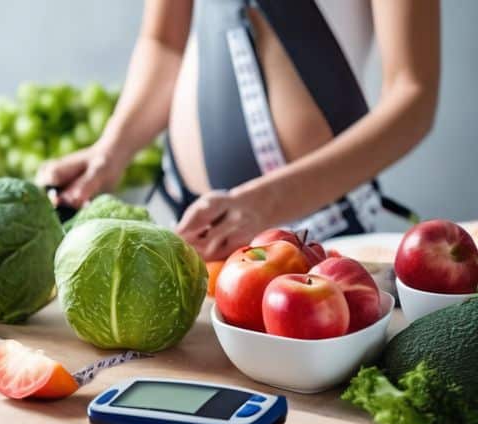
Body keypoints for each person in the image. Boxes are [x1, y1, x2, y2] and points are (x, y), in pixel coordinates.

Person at [38, 0, 439, 261]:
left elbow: (412, 96)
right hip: (186, 212)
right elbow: (164, 43)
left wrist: (268, 203)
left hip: (316, 229)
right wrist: (112, 149)